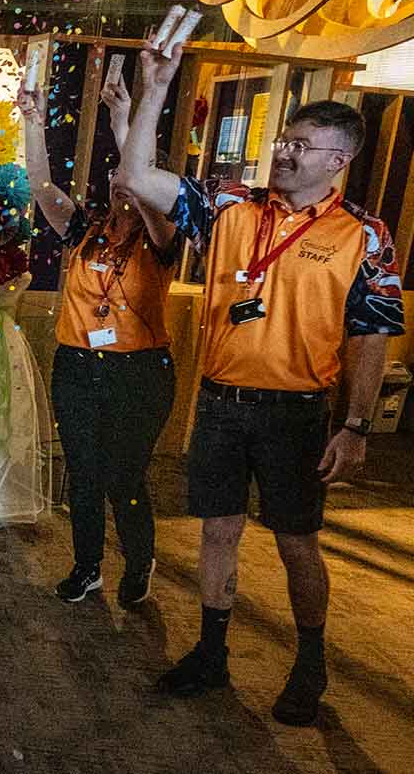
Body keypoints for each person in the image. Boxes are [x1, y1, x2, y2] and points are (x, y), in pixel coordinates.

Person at [116, 37, 404, 726]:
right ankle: (212, 655)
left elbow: (371, 338)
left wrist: (356, 425)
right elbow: (136, 177)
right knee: (217, 531)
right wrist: (155, 88)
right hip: (220, 404)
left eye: (302, 145)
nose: (284, 151)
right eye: (284, 140)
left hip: (296, 413)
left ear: (339, 159)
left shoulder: (364, 236)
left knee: (296, 540)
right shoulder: (227, 207)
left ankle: (311, 661)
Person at [20, 74, 180, 606]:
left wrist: (122, 122)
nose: (120, 184)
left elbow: (145, 179)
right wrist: (33, 122)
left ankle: (139, 562)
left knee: (124, 476)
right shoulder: (84, 231)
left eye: (129, 180)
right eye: (115, 178)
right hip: (76, 366)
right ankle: (87, 567)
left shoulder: (160, 238)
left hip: (138, 373)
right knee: (84, 473)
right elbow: (41, 185)